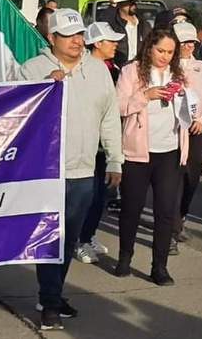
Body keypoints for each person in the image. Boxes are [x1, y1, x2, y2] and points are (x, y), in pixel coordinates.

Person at [17, 9, 123, 331]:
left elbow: (109, 116)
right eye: (68, 35)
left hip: (84, 171)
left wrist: (115, 159)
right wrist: (41, 87)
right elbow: (16, 113)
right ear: (52, 38)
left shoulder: (98, 70)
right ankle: (50, 303)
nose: (77, 41)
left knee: (68, 240)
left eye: (79, 34)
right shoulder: (32, 69)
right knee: (49, 237)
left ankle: (52, 293)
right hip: (46, 171)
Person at [115, 28, 189, 286]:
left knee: (166, 211)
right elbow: (119, 106)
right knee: (131, 208)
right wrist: (145, 95)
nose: (165, 56)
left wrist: (188, 104)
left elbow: (191, 108)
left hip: (169, 150)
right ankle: (125, 257)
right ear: (149, 48)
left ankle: (160, 267)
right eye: (160, 51)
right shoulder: (131, 71)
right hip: (138, 151)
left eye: (170, 52)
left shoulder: (179, 74)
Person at [73, 21, 124, 264]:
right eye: (111, 41)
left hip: (104, 143)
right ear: (97, 43)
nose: (115, 45)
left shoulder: (112, 68)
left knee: (100, 195)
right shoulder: (82, 68)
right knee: (86, 196)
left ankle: (88, 235)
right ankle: (78, 240)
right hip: (84, 144)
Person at [170, 22, 202, 253]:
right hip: (172, 129)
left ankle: (181, 215)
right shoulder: (166, 66)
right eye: (183, 42)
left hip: (197, 129)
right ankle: (170, 229)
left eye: (191, 42)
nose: (188, 46)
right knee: (173, 178)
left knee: (192, 176)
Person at [98, 0, 151, 67]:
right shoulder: (114, 24)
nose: (133, 3)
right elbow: (102, 24)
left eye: (134, 0)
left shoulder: (144, 25)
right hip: (119, 68)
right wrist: (113, 4)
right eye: (129, 1)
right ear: (119, 3)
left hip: (139, 68)